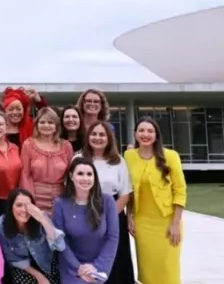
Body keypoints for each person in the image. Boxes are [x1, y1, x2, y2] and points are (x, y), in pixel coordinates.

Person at [124, 117, 187, 284]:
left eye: (150, 131)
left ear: (156, 135)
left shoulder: (171, 156)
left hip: (167, 222)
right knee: (147, 270)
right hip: (142, 223)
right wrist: (129, 215)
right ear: (135, 134)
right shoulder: (129, 156)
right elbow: (129, 190)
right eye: (141, 130)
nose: (145, 134)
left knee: (168, 268)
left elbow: (180, 190)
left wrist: (175, 223)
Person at [75, 121, 135, 283]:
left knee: (116, 262)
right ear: (88, 137)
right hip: (84, 214)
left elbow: (125, 194)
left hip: (114, 215)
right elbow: (71, 189)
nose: (98, 138)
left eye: (102, 134)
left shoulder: (118, 161)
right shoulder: (79, 158)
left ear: (109, 138)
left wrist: (107, 218)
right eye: (94, 134)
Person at [53, 157, 118, 284]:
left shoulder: (107, 201)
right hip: (71, 267)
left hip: (99, 266)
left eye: (89, 174)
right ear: (71, 176)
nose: (85, 178)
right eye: (80, 174)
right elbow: (61, 240)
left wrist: (97, 267)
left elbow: (113, 238)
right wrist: (79, 267)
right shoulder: (60, 203)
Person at [0, 188, 64, 284]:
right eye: (19, 205)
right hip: (23, 267)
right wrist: (39, 277)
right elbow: (12, 258)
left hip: (46, 263)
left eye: (28, 206)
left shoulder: (40, 217)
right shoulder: (1, 225)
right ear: (11, 207)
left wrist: (43, 220)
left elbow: (60, 246)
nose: (24, 210)